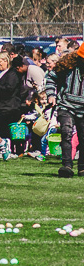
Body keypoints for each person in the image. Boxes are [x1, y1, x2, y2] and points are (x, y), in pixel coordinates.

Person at [46, 46, 84, 177]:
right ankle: (67, 165)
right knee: (66, 132)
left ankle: (82, 167)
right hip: (66, 105)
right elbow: (51, 78)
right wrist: (51, 95)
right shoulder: (67, 65)